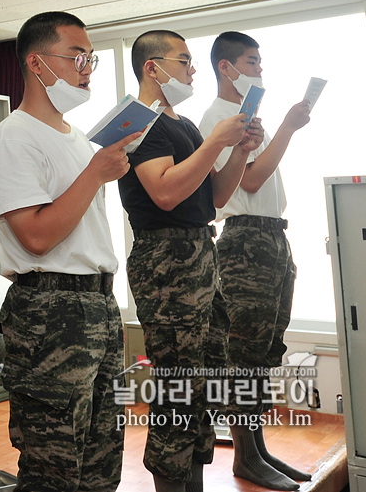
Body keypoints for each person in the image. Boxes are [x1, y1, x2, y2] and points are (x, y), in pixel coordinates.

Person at [0, 12, 140, 492]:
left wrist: (95, 167)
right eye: (75, 56)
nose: (86, 67)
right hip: (51, 306)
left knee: (103, 451)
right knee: (55, 460)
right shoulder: (12, 138)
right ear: (36, 63)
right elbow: (36, 237)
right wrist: (95, 173)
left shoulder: (79, 141)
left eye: (89, 57)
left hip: (98, 302)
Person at [117, 30, 262, 492]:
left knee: (201, 392)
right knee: (177, 393)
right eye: (183, 61)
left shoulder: (181, 124)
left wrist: (236, 150)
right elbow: (163, 192)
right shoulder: (137, 121)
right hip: (167, 263)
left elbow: (216, 195)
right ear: (152, 67)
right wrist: (213, 142)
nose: (192, 70)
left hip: (200, 256)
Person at [200, 32, 313, 491]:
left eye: (260, 61)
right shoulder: (219, 117)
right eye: (251, 61)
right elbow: (247, 183)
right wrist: (286, 127)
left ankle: (258, 449)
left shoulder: (245, 116)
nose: (259, 69)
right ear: (226, 68)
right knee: (244, 355)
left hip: (271, 237)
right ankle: (246, 457)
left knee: (266, 351)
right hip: (245, 242)